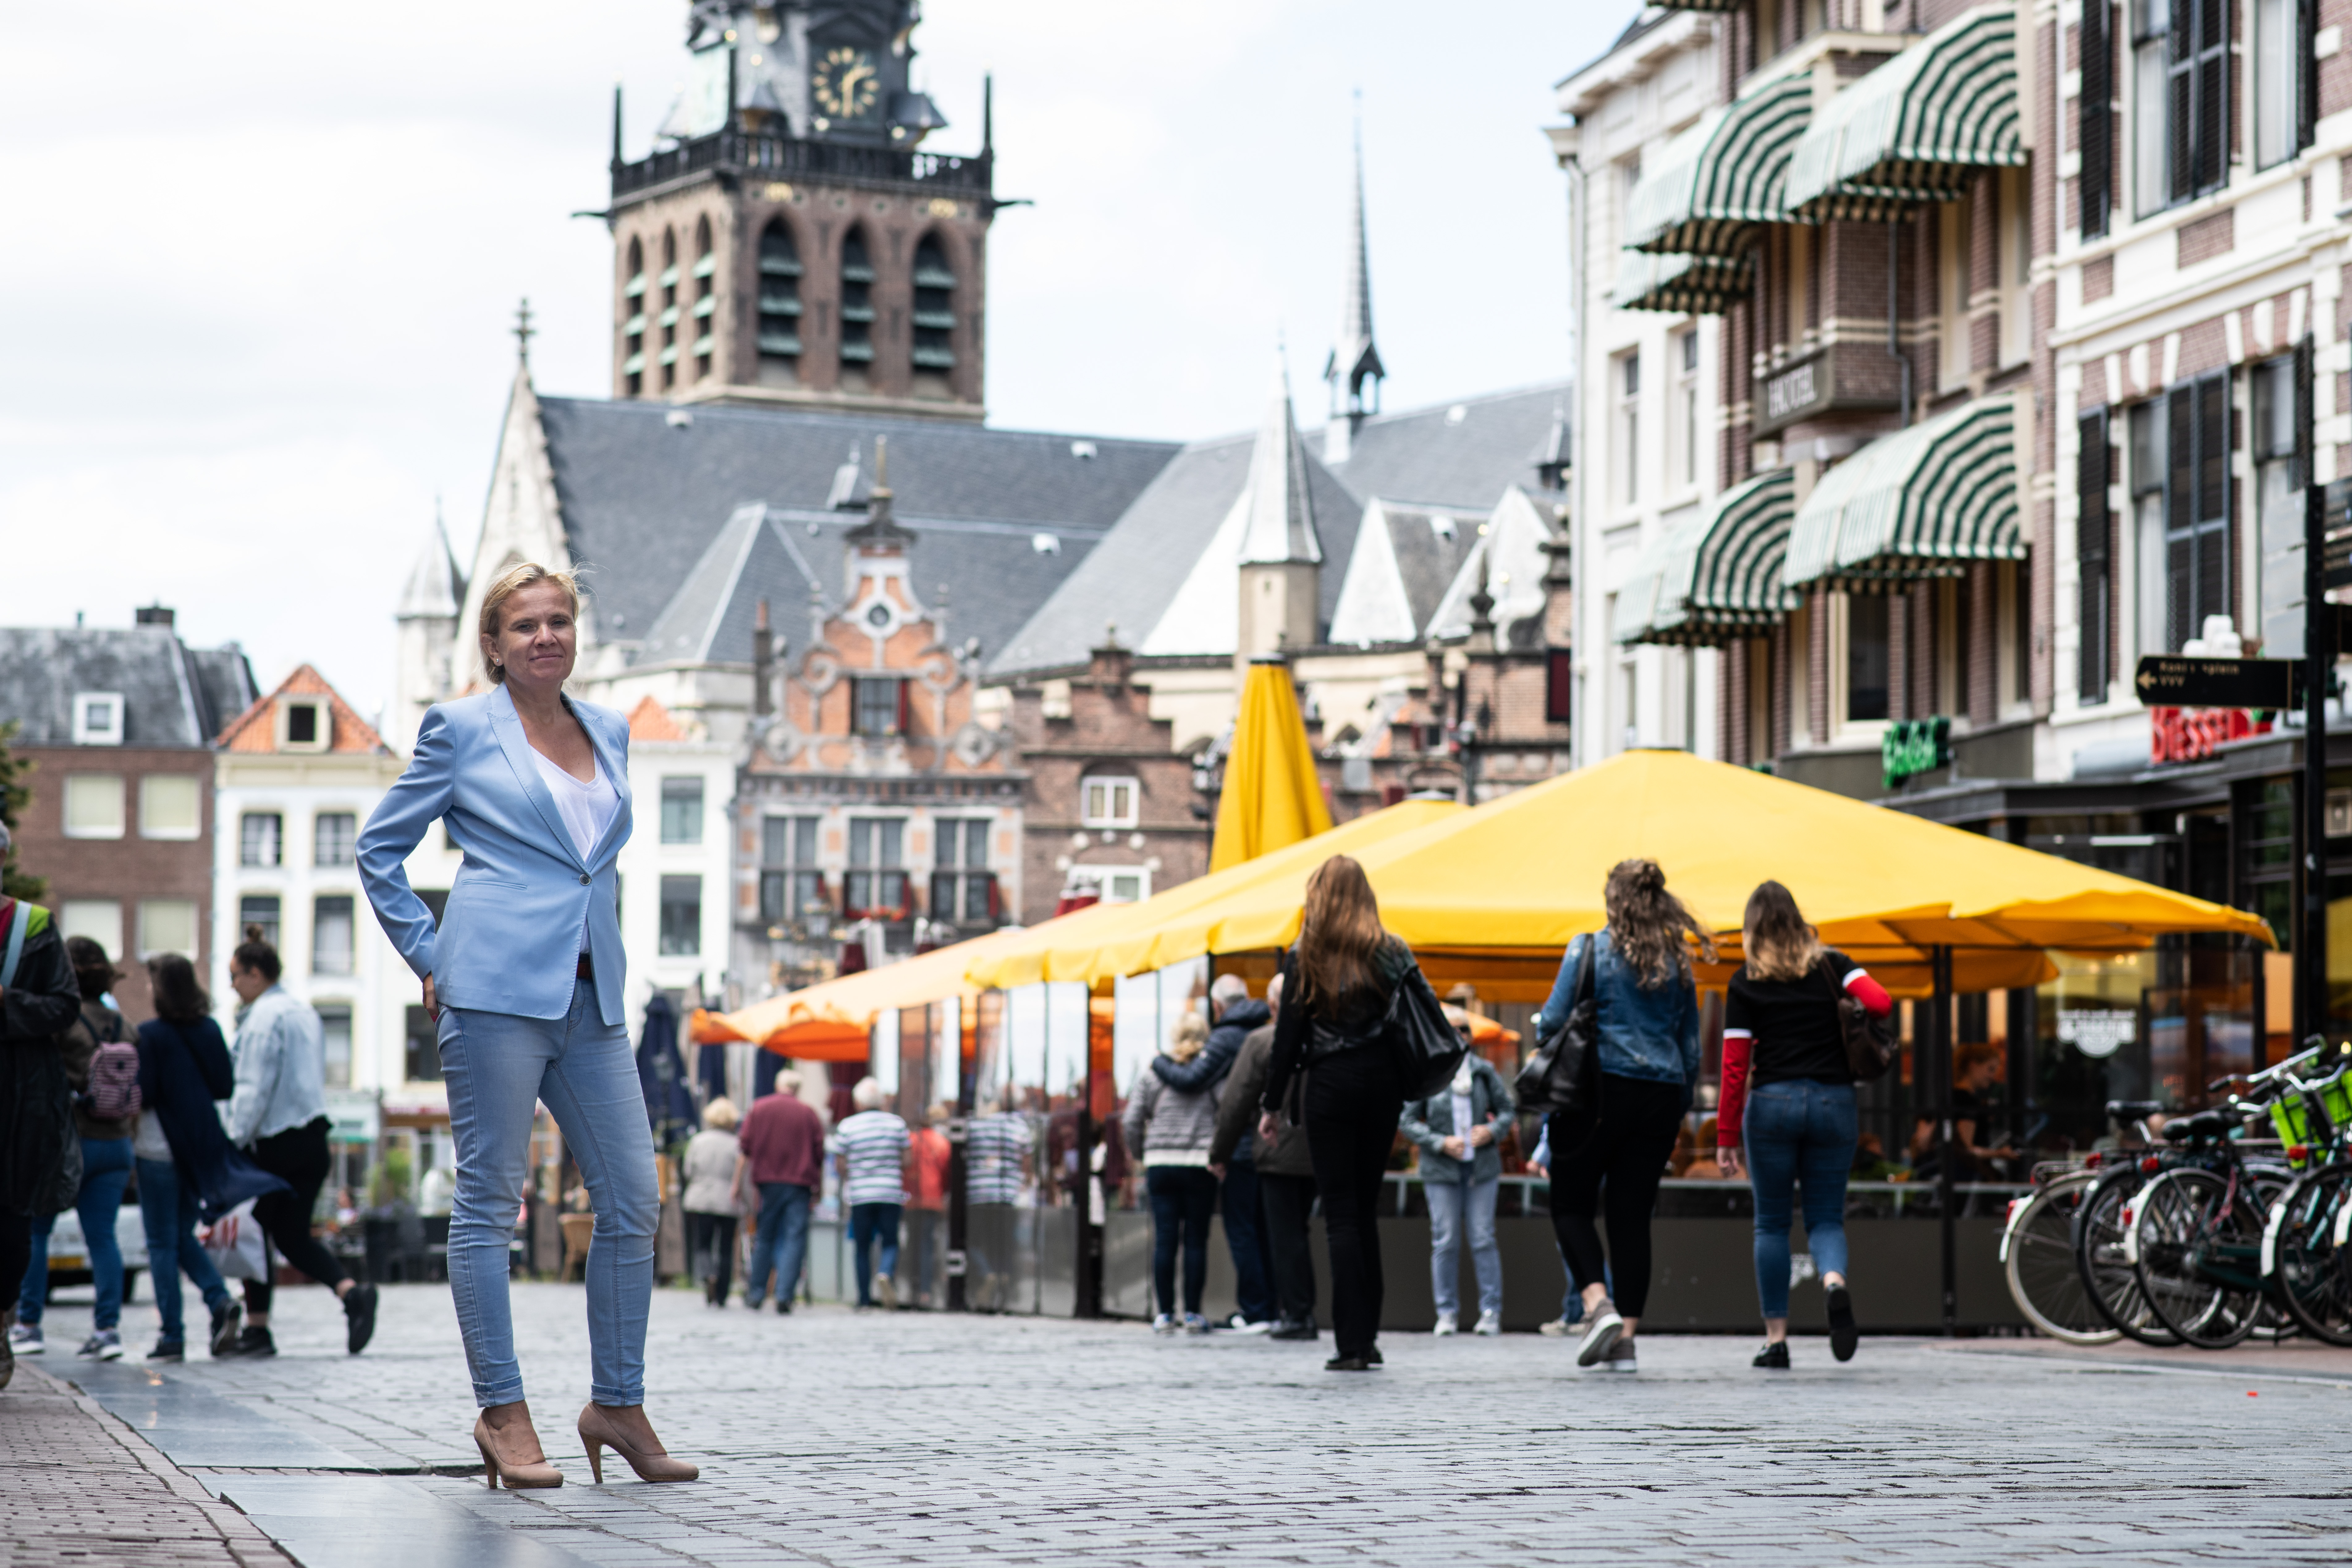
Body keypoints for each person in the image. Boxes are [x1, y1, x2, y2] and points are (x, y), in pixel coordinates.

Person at [357, 560, 693, 1490]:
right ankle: (502, 1411)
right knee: (487, 1205)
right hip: (492, 988)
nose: (545, 635)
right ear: (493, 645)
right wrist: (432, 956)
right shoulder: (460, 727)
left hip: (592, 996)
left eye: (558, 621)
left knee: (634, 1198)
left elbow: (595, 867)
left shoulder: (612, 727)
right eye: (524, 625)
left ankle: (616, 1403)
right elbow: (379, 849)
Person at [1532, 858, 1711, 1375]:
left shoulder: (1588, 948)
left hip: (1596, 1092)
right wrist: (1675, 1110)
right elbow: (1689, 1047)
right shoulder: (1677, 960)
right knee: (1632, 1217)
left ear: (1613, 900)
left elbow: (1551, 1023)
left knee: (1569, 1202)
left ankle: (1596, 1304)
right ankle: (1626, 1338)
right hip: (1658, 1095)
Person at [1260, 855, 1428, 1373]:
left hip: (1328, 1089)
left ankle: (1350, 1345)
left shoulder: (1303, 955)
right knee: (1363, 1210)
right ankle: (1367, 1339)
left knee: (1339, 1217)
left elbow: (1286, 1039)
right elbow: (1424, 1013)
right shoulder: (1390, 951)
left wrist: (1271, 1106)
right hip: (1381, 1086)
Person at [1716, 880, 1894, 1368]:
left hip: (1772, 1103)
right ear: (1798, 921)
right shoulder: (1832, 965)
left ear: (1751, 928)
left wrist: (1725, 1136)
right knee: (1825, 1217)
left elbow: (1734, 1068)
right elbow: (1880, 1002)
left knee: (1772, 1222)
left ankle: (1776, 1339)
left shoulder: (1745, 981)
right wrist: (1840, 970)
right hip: (1833, 1101)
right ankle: (1833, 1281)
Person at [220, 927, 377, 1358]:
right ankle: (352, 1293)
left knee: (253, 1233)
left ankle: (257, 1329)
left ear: (255, 973)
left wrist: (233, 1140)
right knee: (290, 1234)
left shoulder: (263, 1018)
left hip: (274, 1141)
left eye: (235, 975)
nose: (231, 984)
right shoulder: (304, 1011)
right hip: (312, 1136)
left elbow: (253, 1086)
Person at [132, 954, 279, 1363]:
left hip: (158, 1147)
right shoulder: (210, 1028)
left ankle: (172, 1334)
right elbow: (223, 1085)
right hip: (200, 1147)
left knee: (161, 1241)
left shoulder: (149, 1035)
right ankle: (219, 1300)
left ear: (160, 989)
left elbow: (143, 1093)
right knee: (180, 1233)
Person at [13, 937, 138, 1361]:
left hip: (69, 1143)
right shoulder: (125, 1024)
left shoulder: (64, 1020)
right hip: (118, 1142)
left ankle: (28, 1324)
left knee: (37, 1230)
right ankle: (108, 1330)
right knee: (103, 1238)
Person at [0, 870, 85, 1393]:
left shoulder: (32, 926)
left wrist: (7, 1001)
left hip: (17, 1103)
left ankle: (3, 1317)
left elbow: (64, 1006)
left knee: (11, 1228)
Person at [1152, 974, 1274, 1331]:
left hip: (1236, 1150)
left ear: (1218, 1006)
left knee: (1236, 1230)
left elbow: (1205, 1089)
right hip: (1263, 1146)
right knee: (1214, 1235)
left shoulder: (1225, 1039)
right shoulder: (1262, 1031)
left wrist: (1158, 1062)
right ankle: (1251, 1308)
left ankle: (1255, 1309)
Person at [1210, 974, 1316, 1339]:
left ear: (1274, 1005)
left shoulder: (1262, 1041)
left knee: (1285, 1235)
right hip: (1319, 1152)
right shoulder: (1324, 1039)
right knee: (1305, 1231)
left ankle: (1297, 1314)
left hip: (1277, 1152)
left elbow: (1236, 1103)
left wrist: (1219, 1153)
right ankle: (1298, 1310)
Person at [1400, 1018, 1515, 1337]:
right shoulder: (1429, 1070)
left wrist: (1490, 1131)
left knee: (1482, 1237)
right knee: (1445, 1239)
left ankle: (1491, 1312)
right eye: (1451, 1029)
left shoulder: (1483, 1070)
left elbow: (1507, 1110)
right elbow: (1407, 1120)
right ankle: (1446, 1313)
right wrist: (1440, 1141)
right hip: (1441, 1167)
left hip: (1480, 1167)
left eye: (1463, 1029)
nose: (1458, 1035)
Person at [1123, 1012, 1224, 1334]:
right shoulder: (1213, 1075)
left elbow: (1130, 1120)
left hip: (1161, 1163)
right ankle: (1193, 1314)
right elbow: (1228, 1112)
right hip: (1199, 1163)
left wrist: (1141, 1153)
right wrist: (1218, 1152)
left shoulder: (1152, 1075)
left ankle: (1165, 1314)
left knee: (1165, 1239)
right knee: (1196, 1240)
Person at [736, 1070, 825, 1313]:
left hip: (768, 1183)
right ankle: (785, 1294)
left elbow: (745, 1146)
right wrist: (819, 1187)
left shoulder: (760, 1108)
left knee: (765, 1236)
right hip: (800, 1184)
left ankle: (756, 1293)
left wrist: (738, 1184)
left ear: (778, 1085)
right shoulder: (808, 1113)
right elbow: (819, 1153)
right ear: (797, 1088)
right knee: (794, 1238)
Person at [831, 1077, 910, 1309]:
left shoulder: (847, 1126)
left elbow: (840, 1166)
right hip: (890, 1191)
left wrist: (858, 1171)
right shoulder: (897, 1124)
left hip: (861, 1194)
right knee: (890, 1242)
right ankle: (885, 1272)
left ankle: (864, 1299)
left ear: (858, 1102)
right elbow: (908, 1159)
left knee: (862, 1246)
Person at [1908, 1043, 2018, 1180]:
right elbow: (1968, 1150)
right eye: (1990, 1069)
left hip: (1939, 1174)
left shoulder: (1946, 1098)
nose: (1993, 1076)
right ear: (1973, 1066)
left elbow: (1920, 1141)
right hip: (1963, 1178)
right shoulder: (1967, 1102)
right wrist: (1999, 1153)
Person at [680, 1098, 743, 1308]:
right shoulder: (737, 1144)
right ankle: (723, 1293)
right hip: (728, 1200)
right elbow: (741, 1175)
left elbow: (688, 1170)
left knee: (703, 1243)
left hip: (701, 1198)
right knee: (726, 1247)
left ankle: (708, 1276)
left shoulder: (699, 1141)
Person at [907, 1102, 953, 1305]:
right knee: (928, 1245)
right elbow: (947, 1174)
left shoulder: (911, 1140)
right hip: (933, 1198)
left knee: (912, 1243)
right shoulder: (942, 1142)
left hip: (911, 1198)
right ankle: (926, 1289)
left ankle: (912, 1287)